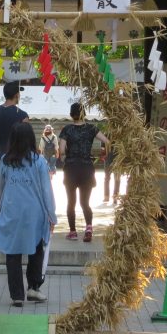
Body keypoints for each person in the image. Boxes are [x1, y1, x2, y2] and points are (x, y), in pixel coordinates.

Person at [0, 122, 57, 307]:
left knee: (12, 253)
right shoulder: (38, 161)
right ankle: (34, 288)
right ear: (31, 139)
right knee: (36, 249)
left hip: (12, 212)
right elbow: (47, 190)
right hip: (34, 214)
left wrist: (1, 203)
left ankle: (17, 295)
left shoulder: (6, 161)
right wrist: (52, 215)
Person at [57, 102, 109, 242]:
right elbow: (106, 140)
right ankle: (88, 228)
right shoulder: (92, 128)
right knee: (85, 202)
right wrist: (104, 154)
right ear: (84, 114)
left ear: (71, 114)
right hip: (87, 168)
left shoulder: (66, 129)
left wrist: (64, 158)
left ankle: (73, 232)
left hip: (71, 168)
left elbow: (61, 151)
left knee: (71, 202)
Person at [0, 81, 29, 172]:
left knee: (0, 185)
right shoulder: (23, 116)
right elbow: (26, 139)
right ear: (17, 95)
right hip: (16, 159)